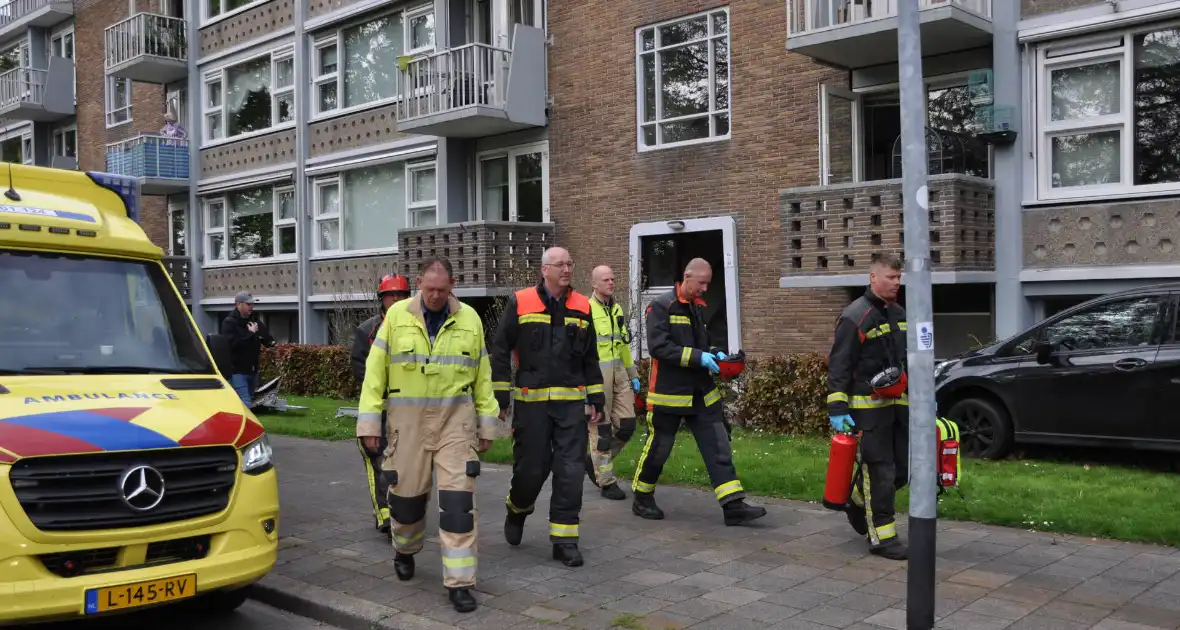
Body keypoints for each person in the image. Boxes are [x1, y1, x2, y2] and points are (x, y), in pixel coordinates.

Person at [356, 257, 501, 613]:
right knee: (405, 504)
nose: (436, 296)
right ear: (420, 283)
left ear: (453, 285)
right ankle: (405, 550)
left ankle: (460, 584)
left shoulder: (470, 319)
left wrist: (487, 424)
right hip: (407, 426)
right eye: (429, 289)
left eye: (442, 289)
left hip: (456, 424)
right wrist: (370, 426)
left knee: (458, 507)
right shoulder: (396, 318)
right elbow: (374, 376)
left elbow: (482, 377)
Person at [490, 246, 605, 567]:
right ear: (545, 270)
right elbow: (500, 350)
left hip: (571, 407)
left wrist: (597, 397)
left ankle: (565, 540)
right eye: (560, 265)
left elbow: (590, 356)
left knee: (571, 471)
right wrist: (500, 396)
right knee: (531, 471)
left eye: (570, 263)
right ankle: (517, 509)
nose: (567, 269)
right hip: (532, 407)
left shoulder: (583, 306)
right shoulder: (521, 301)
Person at [631, 258, 766, 526]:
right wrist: (699, 357)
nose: (705, 288)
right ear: (687, 276)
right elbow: (659, 347)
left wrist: (716, 353)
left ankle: (733, 506)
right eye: (702, 283)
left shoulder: (697, 308)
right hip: (669, 394)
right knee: (659, 448)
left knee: (718, 446)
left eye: (708, 283)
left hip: (701, 393)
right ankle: (642, 497)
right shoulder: (660, 307)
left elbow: (703, 342)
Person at [826, 251, 909, 561]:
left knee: (902, 470)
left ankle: (857, 501)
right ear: (873, 278)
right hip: (868, 412)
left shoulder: (899, 314)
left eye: (899, 277)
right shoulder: (854, 316)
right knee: (881, 472)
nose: (896, 282)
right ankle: (882, 537)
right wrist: (837, 409)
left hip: (899, 409)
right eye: (891, 277)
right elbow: (839, 367)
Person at [350, 273, 411, 534]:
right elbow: (359, 367)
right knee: (378, 461)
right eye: (391, 295)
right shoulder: (368, 330)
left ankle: (403, 509)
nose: (395, 299)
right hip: (379, 409)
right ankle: (384, 514)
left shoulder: (416, 327)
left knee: (405, 464)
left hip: (409, 411)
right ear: (382, 299)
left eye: (400, 295)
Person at [584, 265, 640, 501]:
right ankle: (606, 481)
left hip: (619, 374)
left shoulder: (616, 308)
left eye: (613, 278)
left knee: (627, 424)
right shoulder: (585, 310)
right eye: (605, 279)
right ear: (594, 284)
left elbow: (624, 345)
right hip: (596, 378)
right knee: (602, 429)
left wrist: (633, 374)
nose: (611, 282)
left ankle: (593, 460)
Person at [220, 291, 275, 406]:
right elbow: (233, 345)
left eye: (252, 304)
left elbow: (266, 338)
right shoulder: (229, 322)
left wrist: (270, 342)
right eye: (248, 304)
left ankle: (236, 422)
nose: (251, 307)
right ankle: (245, 423)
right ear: (238, 304)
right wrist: (250, 334)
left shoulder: (254, 320)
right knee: (245, 401)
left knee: (247, 399)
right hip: (237, 371)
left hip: (253, 370)